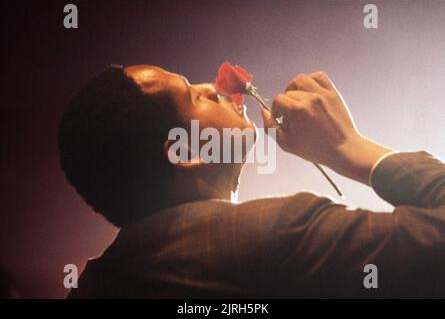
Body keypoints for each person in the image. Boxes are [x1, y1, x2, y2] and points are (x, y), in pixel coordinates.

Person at [59, 64, 445, 298]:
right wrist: (350, 148)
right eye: (193, 95)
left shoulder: (94, 286)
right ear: (186, 152)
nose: (211, 87)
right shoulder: (278, 233)